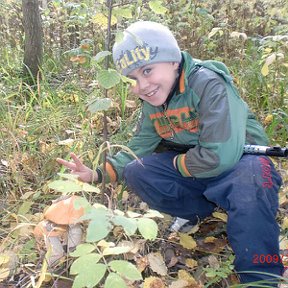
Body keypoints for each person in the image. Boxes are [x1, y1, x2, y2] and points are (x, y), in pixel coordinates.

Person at [57, 21, 284, 286]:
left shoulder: (208, 83)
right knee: (138, 172)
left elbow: (221, 155)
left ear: (174, 61)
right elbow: (138, 147)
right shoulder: (153, 104)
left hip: (243, 161)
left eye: (148, 70)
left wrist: (178, 163)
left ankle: (261, 277)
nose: (143, 85)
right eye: (132, 79)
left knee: (252, 184)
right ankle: (201, 211)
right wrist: (96, 174)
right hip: (197, 164)